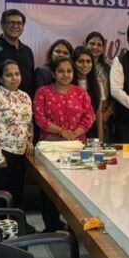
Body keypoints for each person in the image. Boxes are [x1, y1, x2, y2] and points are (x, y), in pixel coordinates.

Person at [34, 56, 94, 232]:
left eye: (69, 71)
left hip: (76, 146)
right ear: (53, 73)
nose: (65, 74)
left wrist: (75, 133)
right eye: (61, 71)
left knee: (77, 187)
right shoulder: (43, 92)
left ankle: (75, 227)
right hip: (51, 147)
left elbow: (89, 117)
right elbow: (40, 118)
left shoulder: (81, 93)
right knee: (50, 187)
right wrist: (62, 131)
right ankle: (51, 227)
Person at [0, 60, 32, 207]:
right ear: (1, 78)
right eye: (9, 75)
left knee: (17, 193)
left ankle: (15, 221)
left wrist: (29, 143)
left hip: (21, 153)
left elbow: (28, 124)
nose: (14, 77)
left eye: (17, 74)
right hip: (1, 152)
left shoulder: (25, 97)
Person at [0, 9, 36, 97]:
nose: (15, 26)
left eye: (19, 23)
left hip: (24, 101)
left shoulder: (27, 51)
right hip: (1, 102)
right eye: (11, 23)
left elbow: (31, 80)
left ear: (23, 27)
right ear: (2, 25)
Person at [84, 31, 114, 142]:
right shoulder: (79, 66)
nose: (95, 47)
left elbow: (113, 93)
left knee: (101, 148)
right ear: (85, 45)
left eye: (99, 45)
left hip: (104, 116)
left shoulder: (107, 69)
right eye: (92, 44)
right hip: (82, 117)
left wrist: (107, 113)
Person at [73, 46, 106, 143]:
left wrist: (100, 140)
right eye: (81, 61)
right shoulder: (67, 84)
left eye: (88, 61)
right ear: (73, 63)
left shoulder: (98, 84)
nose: (85, 65)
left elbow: (98, 114)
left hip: (91, 130)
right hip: (72, 130)